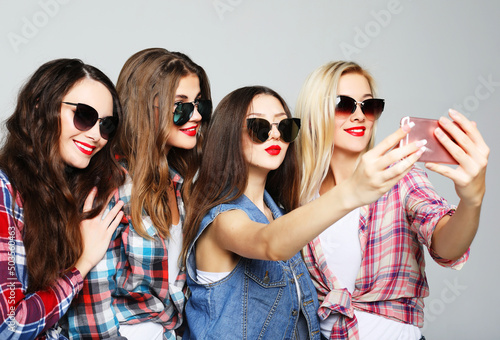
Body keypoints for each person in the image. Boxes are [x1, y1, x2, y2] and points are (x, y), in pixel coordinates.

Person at [180, 86, 425, 340]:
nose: (275, 134)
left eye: (284, 127)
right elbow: (269, 243)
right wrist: (352, 191)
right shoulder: (222, 218)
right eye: (259, 128)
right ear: (228, 135)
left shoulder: (281, 213)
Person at [296, 61, 489, 340]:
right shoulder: (298, 194)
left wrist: (471, 202)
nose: (359, 115)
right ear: (315, 112)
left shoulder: (400, 177)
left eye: (369, 105)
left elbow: (446, 244)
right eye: (344, 104)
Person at [65, 48, 212, 340]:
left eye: (200, 104)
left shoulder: (179, 186)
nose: (195, 115)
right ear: (146, 107)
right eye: (180, 105)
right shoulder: (111, 185)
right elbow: (91, 302)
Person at [0, 58, 125, 339]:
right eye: (84, 115)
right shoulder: (4, 191)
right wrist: (82, 263)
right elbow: (9, 327)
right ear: (39, 107)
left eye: (106, 126)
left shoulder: (63, 194)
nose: (96, 136)